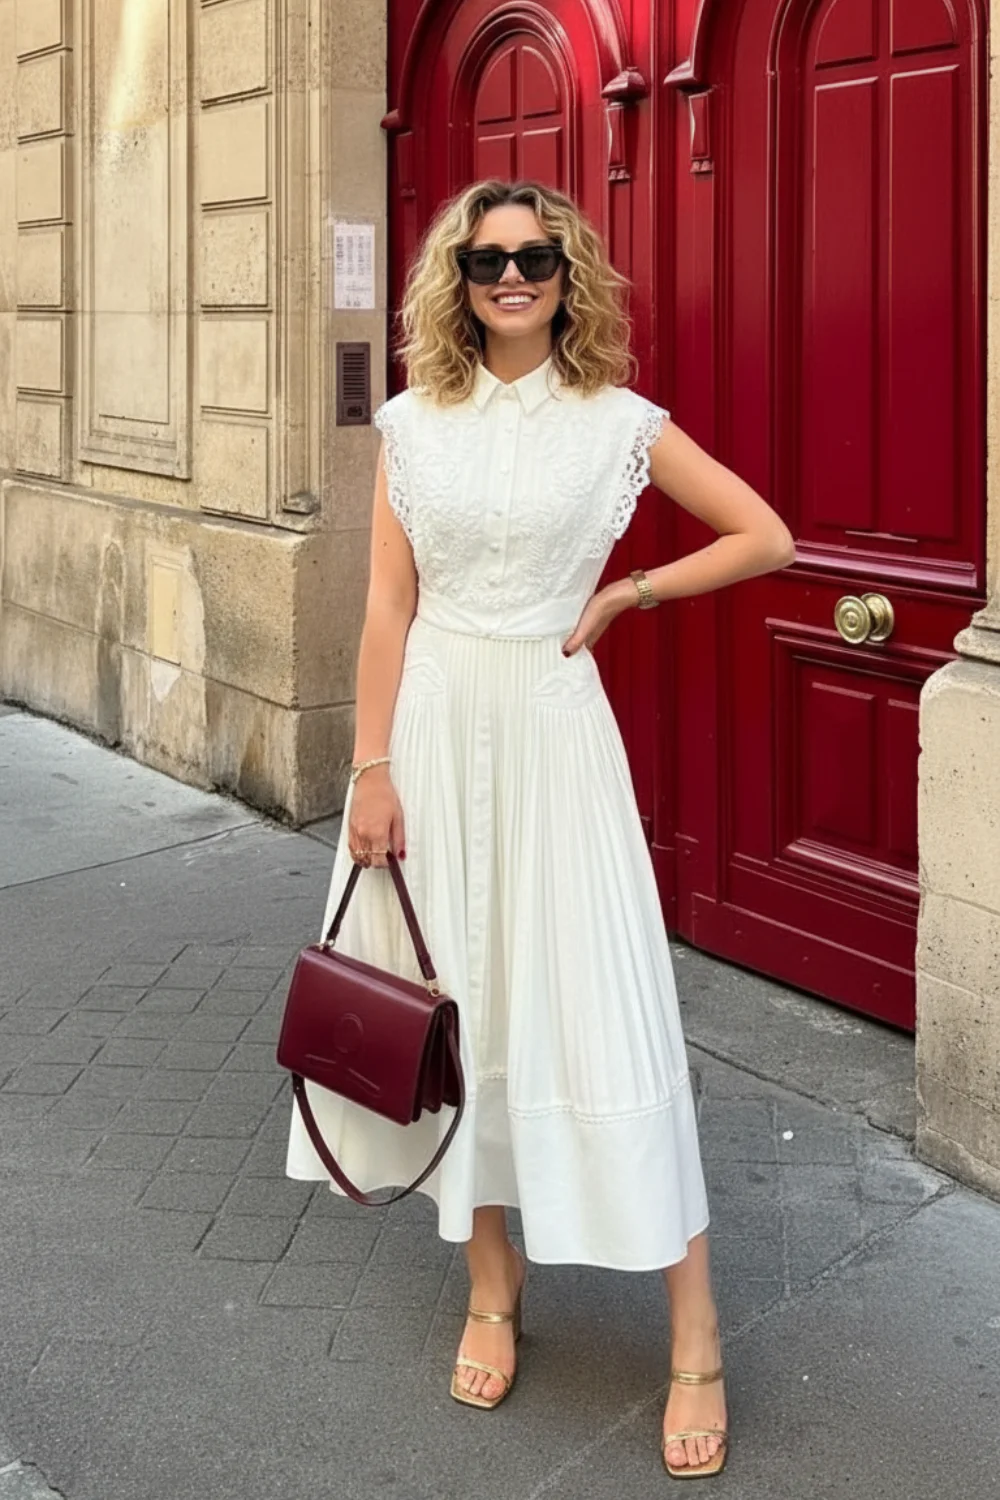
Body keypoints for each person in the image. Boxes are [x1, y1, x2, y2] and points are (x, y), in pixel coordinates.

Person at [286, 178, 794, 1478]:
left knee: (601, 1008)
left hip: (560, 738)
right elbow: (389, 610)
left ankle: (695, 1337)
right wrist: (371, 768)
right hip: (437, 731)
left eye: (537, 257)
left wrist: (628, 591)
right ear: (454, 281)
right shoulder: (412, 424)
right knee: (463, 1007)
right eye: (488, 258)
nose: (513, 276)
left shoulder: (620, 423)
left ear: (572, 276)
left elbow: (764, 536)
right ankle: (492, 1285)